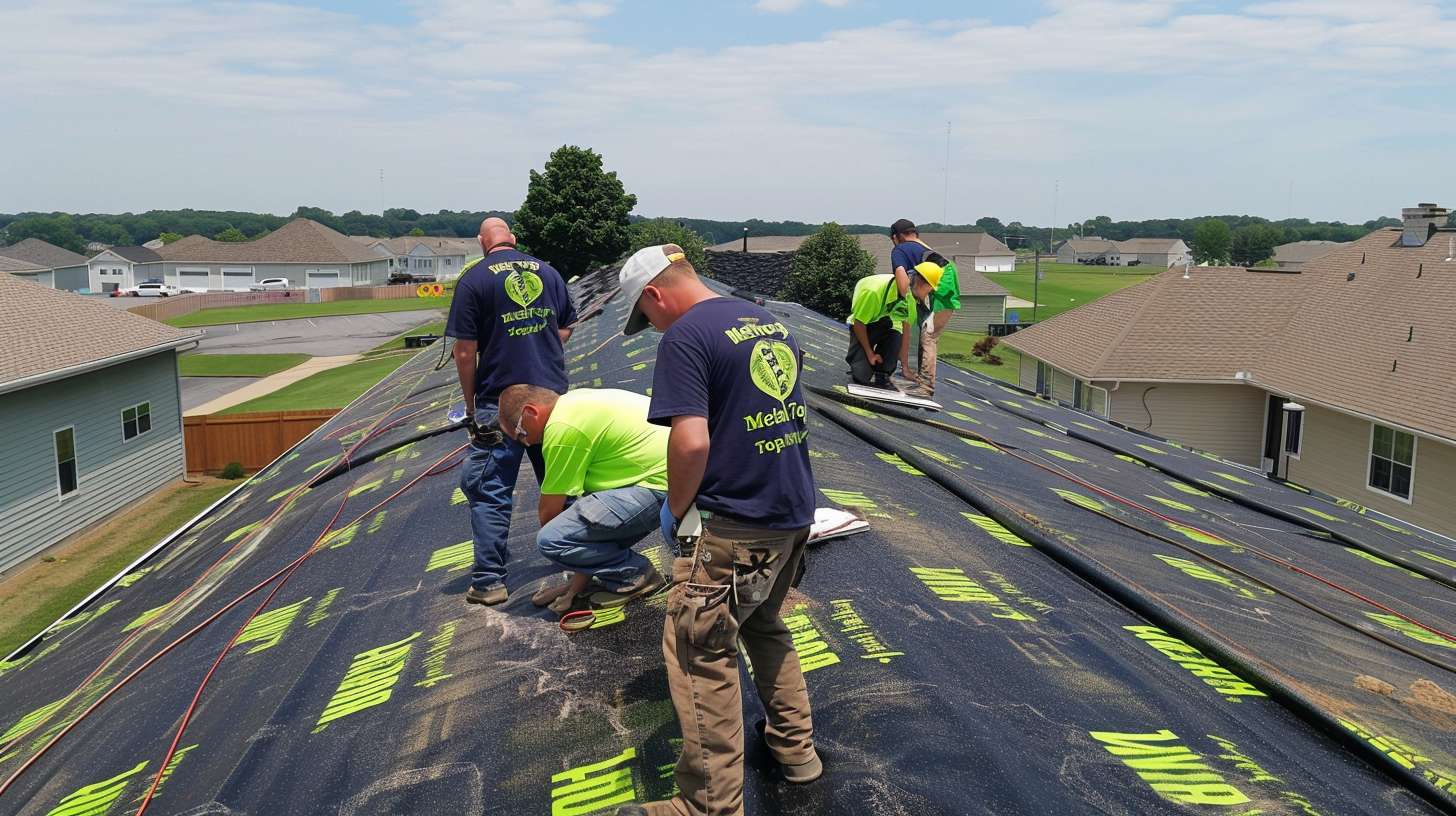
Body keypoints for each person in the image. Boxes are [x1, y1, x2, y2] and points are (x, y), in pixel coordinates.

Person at [613, 245, 822, 816]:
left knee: (698, 651)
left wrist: (678, 511)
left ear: (655, 295)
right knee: (764, 625)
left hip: (735, 525)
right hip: (792, 514)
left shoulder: (685, 337)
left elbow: (693, 441)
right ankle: (796, 751)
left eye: (646, 316)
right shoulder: (764, 321)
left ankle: (707, 804)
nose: (652, 327)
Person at [446, 217, 577, 606]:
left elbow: (465, 351)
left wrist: (470, 407)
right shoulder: (549, 272)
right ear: (513, 239)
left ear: (481, 243)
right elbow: (566, 327)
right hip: (550, 399)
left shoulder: (474, 280)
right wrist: (535, 343)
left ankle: (489, 582)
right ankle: (579, 565)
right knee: (562, 484)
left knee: (490, 491)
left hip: (497, 403)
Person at [495, 384, 666, 619]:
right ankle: (623, 573)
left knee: (550, 540)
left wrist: (579, 566)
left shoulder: (562, 429)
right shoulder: (576, 403)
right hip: (677, 477)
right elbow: (588, 532)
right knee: (581, 523)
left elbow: (551, 518)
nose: (525, 443)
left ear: (531, 413)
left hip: (662, 486)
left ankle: (636, 575)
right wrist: (579, 581)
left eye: (520, 434)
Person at [889, 219, 960, 396]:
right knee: (923, 330)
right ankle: (919, 377)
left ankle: (926, 386)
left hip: (941, 284)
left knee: (928, 336)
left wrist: (903, 299)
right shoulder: (920, 248)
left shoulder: (899, 249)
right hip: (942, 282)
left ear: (895, 238)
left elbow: (901, 279)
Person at [845, 262, 940, 389]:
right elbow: (859, 324)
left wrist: (905, 368)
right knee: (861, 376)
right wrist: (870, 353)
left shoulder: (910, 298)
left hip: (884, 323)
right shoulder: (873, 292)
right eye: (931, 290)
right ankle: (860, 361)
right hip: (861, 324)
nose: (929, 294)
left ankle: (882, 373)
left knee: (895, 333)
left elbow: (905, 331)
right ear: (922, 283)